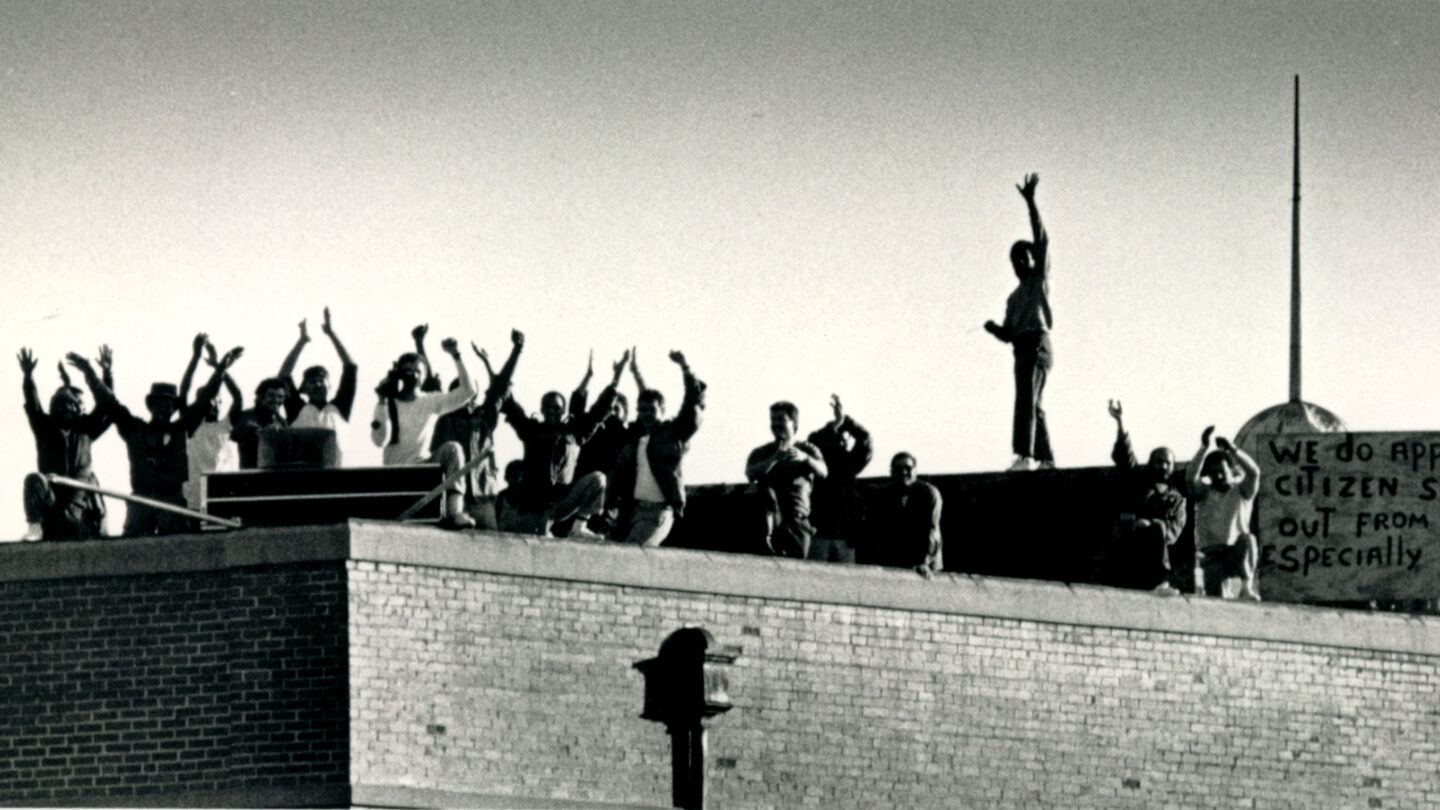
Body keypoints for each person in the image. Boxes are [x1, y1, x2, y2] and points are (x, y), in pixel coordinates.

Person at [67, 345, 241, 536]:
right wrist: (90, 372)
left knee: (179, 544)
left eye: (168, 405)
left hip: (173, 502)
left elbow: (205, 399)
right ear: (151, 406)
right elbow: (109, 403)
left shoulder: (181, 429)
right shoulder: (134, 428)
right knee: (134, 549)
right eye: (158, 404)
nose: (163, 409)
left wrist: (221, 369)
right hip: (142, 499)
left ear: (174, 409)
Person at [501, 349, 629, 539]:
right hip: (534, 503)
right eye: (548, 407)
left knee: (598, 479)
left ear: (563, 410)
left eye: (557, 408)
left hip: (562, 500)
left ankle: (579, 526)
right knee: (539, 543)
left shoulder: (574, 432)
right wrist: (516, 352)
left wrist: (616, 377)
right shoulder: (531, 430)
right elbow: (507, 399)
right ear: (542, 409)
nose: (552, 411)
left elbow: (599, 411)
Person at [984, 172, 1055, 472]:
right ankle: (1046, 457)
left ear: (1032, 259)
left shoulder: (1039, 280)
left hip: (1038, 343)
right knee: (1032, 403)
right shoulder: (1013, 298)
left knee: (1026, 399)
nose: (1019, 263)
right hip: (1021, 347)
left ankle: (1024, 455)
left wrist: (1031, 202)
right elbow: (1009, 334)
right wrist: (994, 329)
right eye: (1015, 259)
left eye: (1024, 257)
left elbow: (1042, 238)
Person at [369, 336, 479, 528]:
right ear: (398, 373)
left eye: (416, 370)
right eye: (406, 370)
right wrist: (382, 400)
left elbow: (468, 391)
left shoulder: (430, 401)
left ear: (424, 374)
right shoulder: (388, 403)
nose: (411, 374)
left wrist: (456, 355)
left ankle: (454, 512)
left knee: (453, 449)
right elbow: (379, 441)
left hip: (422, 467)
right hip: (395, 472)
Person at [429, 330, 524, 530]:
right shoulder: (445, 420)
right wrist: (420, 344)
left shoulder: (484, 418)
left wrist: (517, 350)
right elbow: (430, 388)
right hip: (454, 498)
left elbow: (500, 386)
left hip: (483, 496)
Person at [609, 350, 706, 546]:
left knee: (630, 556)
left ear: (662, 410)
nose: (647, 414)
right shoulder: (637, 438)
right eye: (642, 410)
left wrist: (685, 367)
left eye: (652, 410)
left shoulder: (673, 434)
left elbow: (692, 404)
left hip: (657, 511)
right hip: (631, 511)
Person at [19, 347, 113, 541]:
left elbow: (106, 404)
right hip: (52, 508)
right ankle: (35, 526)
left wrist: (101, 373)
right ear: (53, 409)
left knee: (92, 480)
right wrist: (28, 377)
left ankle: (101, 527)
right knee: (33, 479)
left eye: (71, 404)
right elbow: (33, 404)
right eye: (60, 404)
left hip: (78, 513)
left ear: (78, 410)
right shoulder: (44, 430)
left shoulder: (86, 431)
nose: (66, 408)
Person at [1101, 400, 1187, 593]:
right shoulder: (1138, 483)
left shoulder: (1177, 499)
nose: (1163, 466)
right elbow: (1125, 457)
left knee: (1158, 527)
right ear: (1150, 463)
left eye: (1167, 463)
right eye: (1158, 462)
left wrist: (1154, 527)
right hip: (1130, 544)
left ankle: (1160, 581)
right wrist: (1119, 422)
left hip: (1155, 552)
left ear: (1173, 467)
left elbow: (1174, 529)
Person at [745, 401, 828, 558]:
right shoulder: (762, 452)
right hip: (769, 524)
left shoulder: (807, 449)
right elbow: (750, 473)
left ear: (793, 422)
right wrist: (774, 458)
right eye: (773, 419)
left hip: (797, 521)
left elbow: (824, 471)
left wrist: (805, 459)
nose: (775, 424)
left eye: (780, 419)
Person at [1188, 426, 1262, 600]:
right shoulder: (1204, 493)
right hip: (1212, 555)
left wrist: (1232, 450)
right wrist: (1204, 447)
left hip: (1235, 553)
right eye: (1214, 474)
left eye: (1222, 471)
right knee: (1217, 599)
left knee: (1248, 539)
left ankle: (1246, 587)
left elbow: (1254, 472)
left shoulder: (1242, 492)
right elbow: (1190, 478)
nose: (1218, 476)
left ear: (1231, 470)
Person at [277, 308, 358, 463]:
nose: (317, 384)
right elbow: (283, 376)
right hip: (303, 477)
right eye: (312, 381)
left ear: (330, 385)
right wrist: (302, 341)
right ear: (304, 388)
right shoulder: (297, 409)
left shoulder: (340, 407)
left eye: (321, 380)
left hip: (335, 477)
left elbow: (350, 367)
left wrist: (331, 333)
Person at [805, 394, 872, 563]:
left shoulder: (849, 465)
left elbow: (866, 440)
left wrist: (846, 421)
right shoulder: (816, 462)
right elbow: (814, 441)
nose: (840, 441)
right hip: (818, 532)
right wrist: (836, 424)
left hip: (845, 535)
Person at [183, 340, 244, 511]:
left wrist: (220, 367)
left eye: (215, 399)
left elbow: (238, 397)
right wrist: (220, 367)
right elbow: (186, 389)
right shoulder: (192, 426)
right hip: (196, 490)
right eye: (205, 399)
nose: (210, 403)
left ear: (220, 402)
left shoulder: (225, 425)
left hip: (222, 487)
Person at [865, 452, 943, 577]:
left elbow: (931, 531)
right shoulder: (882, 494)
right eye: (897, 469)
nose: (903, 472)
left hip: (926, 564)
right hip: (896, 562)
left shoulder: (929, 494)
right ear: (891, 472)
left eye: (908, 468)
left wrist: (924, 562)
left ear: (916, 471)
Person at [231, 376, 294, 469]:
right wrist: (263, 432)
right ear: (260, 397)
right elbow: (240, 431)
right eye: (271, 396)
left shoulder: (282, 422)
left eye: (280, 397)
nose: (276, 400)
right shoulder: (248, 415)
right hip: (252, 475)